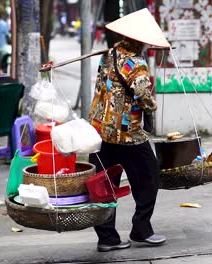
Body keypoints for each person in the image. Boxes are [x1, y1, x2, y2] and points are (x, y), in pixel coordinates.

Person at [87, 8, 169, 252]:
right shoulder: (136, 62)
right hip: (127, 133)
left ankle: (107, 238)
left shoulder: (110, 53)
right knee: (149, 177)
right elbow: (144, 97)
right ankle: (141, 229)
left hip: (100, 131)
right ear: (140, 40)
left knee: (103, 185)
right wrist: (152, 105)